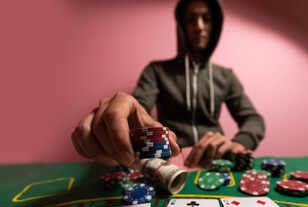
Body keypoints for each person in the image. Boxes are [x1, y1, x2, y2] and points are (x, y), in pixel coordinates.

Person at [71, 0, 265, 169]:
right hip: (170, 162)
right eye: (190, 19)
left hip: (217, 163)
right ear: (181, 26)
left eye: (206, 19)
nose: (199, 26)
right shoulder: (156, 71)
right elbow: (139, 108)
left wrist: (238, 144)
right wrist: (126, 113)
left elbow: (254, 120)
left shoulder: (226, 76)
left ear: (216, 26)